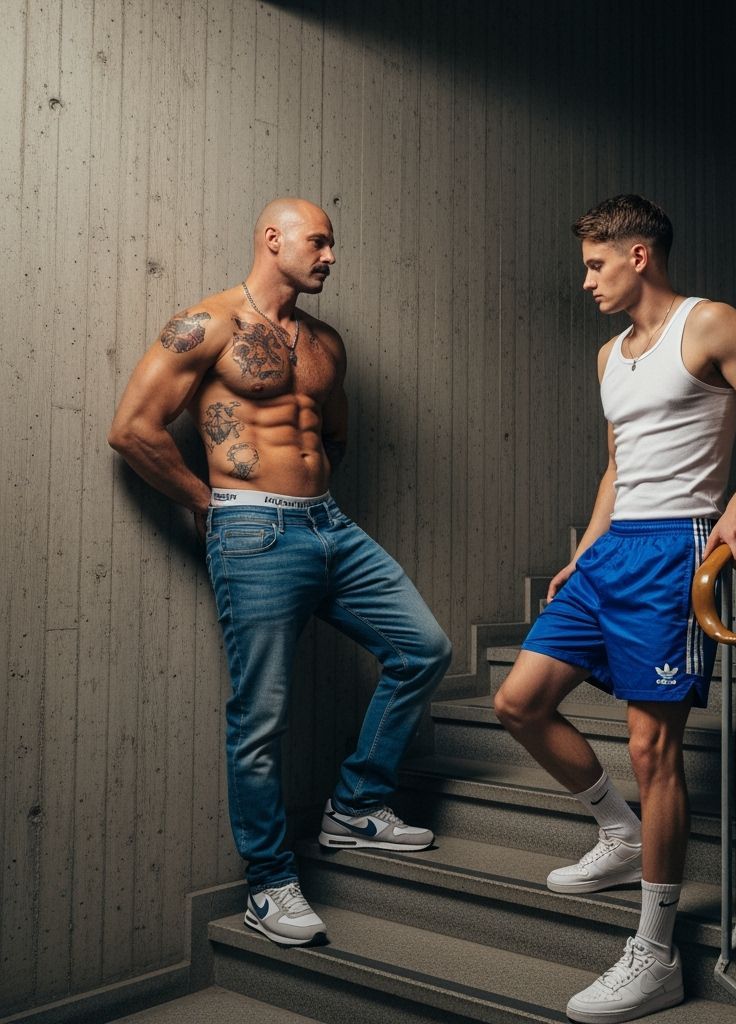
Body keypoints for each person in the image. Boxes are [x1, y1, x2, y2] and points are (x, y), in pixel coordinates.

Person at [493, 195, 736, 1022]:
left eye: (596, 263)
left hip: (678, 548)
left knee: (650, 746)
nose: (586, 279)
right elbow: (616, 465)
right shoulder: (607, 356)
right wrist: (585, 552)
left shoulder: (711, 326)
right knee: (518, 701)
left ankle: (655, 954)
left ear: (639, 256)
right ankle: (617, 832)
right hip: (616, 549)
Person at [109, 197, 451, 948]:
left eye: (333, 245)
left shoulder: (327, 344)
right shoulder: (207, 324)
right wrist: (209, 503)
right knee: (261, 716)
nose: (330, 257)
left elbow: (334, 435)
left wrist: (311, 495)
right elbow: (132, 430)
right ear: (273, 239)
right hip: (251, 530)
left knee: (425, 649)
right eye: (318, 243)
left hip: (329, 526)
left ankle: (357, 803)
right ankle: (269, 884)